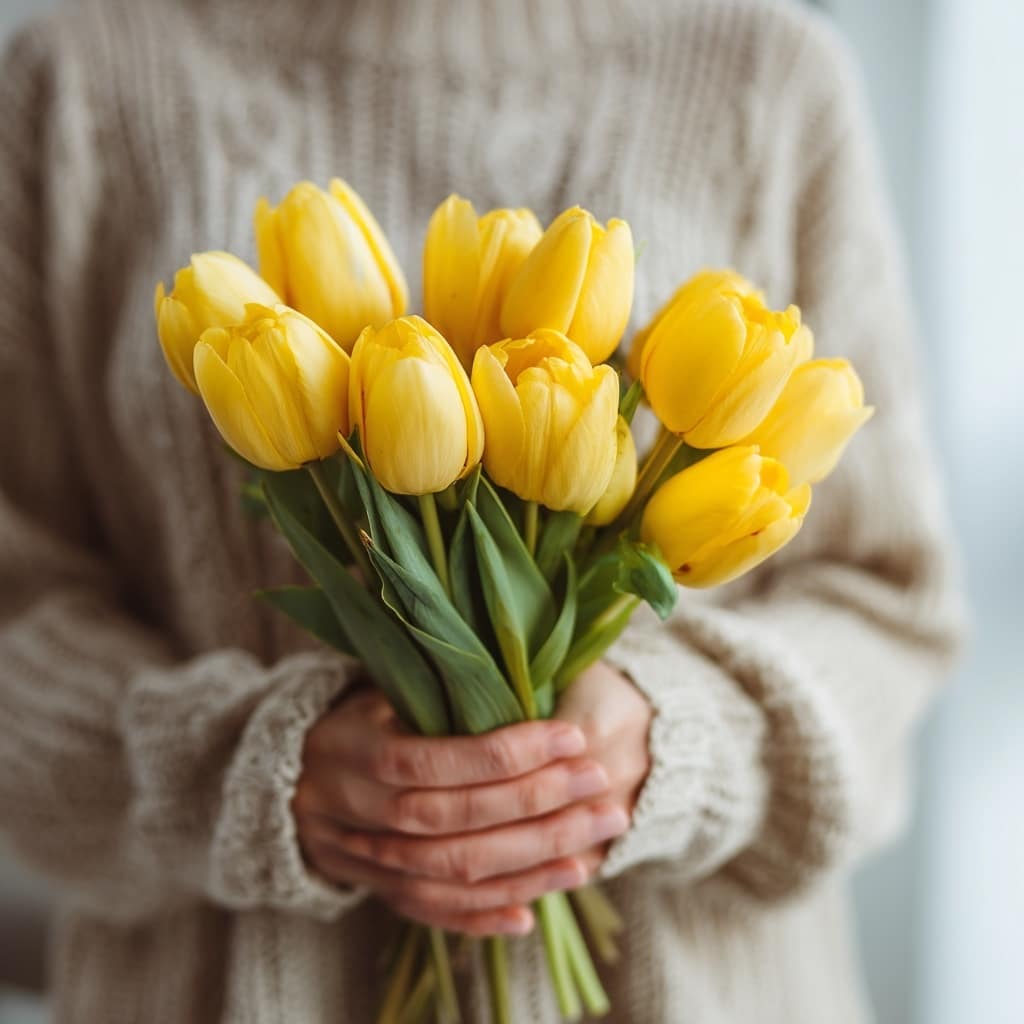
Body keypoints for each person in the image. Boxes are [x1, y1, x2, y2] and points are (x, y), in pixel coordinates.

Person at [0, 0, 963, 1021]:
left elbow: (889, 611)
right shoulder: (80, 79)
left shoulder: (764, 74)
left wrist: (667, 747)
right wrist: (241, 775)